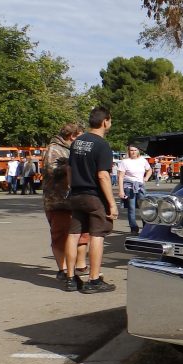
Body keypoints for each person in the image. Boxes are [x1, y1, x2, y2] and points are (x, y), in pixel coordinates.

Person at [64, 107, 119, 293]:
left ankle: (70, 278)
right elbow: (103, 175)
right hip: (94, 197)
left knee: (73, 235)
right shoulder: (102, 145)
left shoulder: (77, 141)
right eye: (110, 121)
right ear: (105, 121)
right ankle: (93, 280)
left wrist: (72, 188)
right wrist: (112, 203)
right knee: (97, 235)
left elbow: (69, 169)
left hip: (76, 194)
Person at [42, 123, 90, 281]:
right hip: (58, 200)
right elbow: (50, 169)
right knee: (60, 235)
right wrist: (72, 166)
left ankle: (81, 265)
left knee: (83, 233)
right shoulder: (54, 148)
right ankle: (62, 269)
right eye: (80, 136)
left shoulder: (72, 149)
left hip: (76, 198)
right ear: (72, 136)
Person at [118, 144, 152, 235]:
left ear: (138, 151)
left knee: (144, 207)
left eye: (135, 150)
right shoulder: (124, 162)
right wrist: (121, 191)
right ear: (129, 151)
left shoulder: (143, 160)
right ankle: (134, 228)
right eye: (131, 150)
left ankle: (146, 227)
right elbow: (120, 177)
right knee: (131, 208)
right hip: (129, 187)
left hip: (140, 186)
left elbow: (149, 170)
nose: (133, 152)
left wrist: (146, 178)